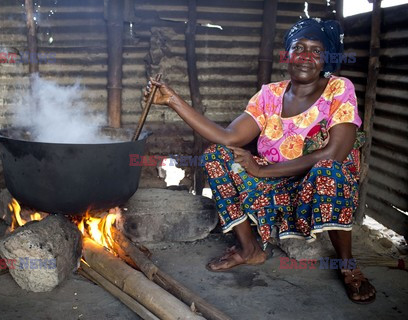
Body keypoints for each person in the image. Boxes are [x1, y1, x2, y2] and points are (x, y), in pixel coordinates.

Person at [144, 18, 376, 304]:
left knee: (331, 170)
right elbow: (228, 136)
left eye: (316, 51)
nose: (305, 57)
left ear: (326, 58)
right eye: (298, 48)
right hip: (273, 186)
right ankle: (249, 248)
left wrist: (261, 171)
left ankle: (346, 265)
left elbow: (334, 154)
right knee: (217, 155)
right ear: (288, 55)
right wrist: (173, 101)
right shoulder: (270, 94)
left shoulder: (339, 90)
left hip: (316, 188)